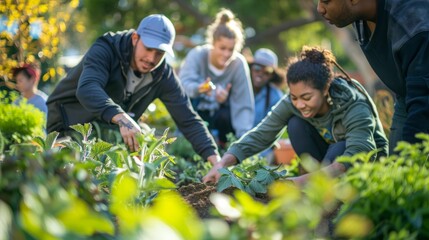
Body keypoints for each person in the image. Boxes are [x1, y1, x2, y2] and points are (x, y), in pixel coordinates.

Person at [46, 14, 221, 164]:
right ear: (135, 38)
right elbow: (87, 88)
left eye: (159, 53)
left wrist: (215, 160)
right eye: (148, 48)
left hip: (105, 125)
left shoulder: (163, 75)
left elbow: (188, 118)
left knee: (144, 141)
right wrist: (122, 118)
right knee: (75, 165)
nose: (151, 58)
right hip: (69, 121)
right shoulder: (106, 48)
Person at [203, 46, 388, 185]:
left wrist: (295, 182)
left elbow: (358, 153)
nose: (299, 104)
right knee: (295, 123)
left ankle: (321, 188)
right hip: (327, 162)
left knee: (340, 148)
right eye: (294, 97)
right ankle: (317, 182)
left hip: (365, 166)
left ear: (325, 89)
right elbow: (262, 133)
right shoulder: (294, 102)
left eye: (306, 97)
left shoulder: (353, 103)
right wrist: (223, 163)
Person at [316, 0, 429, 153]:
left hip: (422, 102)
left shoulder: (413, 25)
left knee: (407, 167)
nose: (319, 9)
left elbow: (423, 105)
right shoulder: (360, 17)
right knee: (396, 171)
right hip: (407, 98)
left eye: (326, 1)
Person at [179, 8, 254, 147]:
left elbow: (244, 104)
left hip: (223, 119)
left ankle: (225, 148)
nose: (226, 54)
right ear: (212, 44)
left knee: (227, 114)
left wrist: (244, 141)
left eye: (231, 50)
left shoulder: (238, 64)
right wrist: (199, 88)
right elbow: (182, 84)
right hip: (196, 112)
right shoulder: (197, 55)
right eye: (222, 48)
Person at [250, 48, 284, 127]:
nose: (260, 73)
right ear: (251, 68)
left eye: (267, 71)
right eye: (257, 68)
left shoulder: (276, 97)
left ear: (272, 75)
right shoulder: (239, 87)